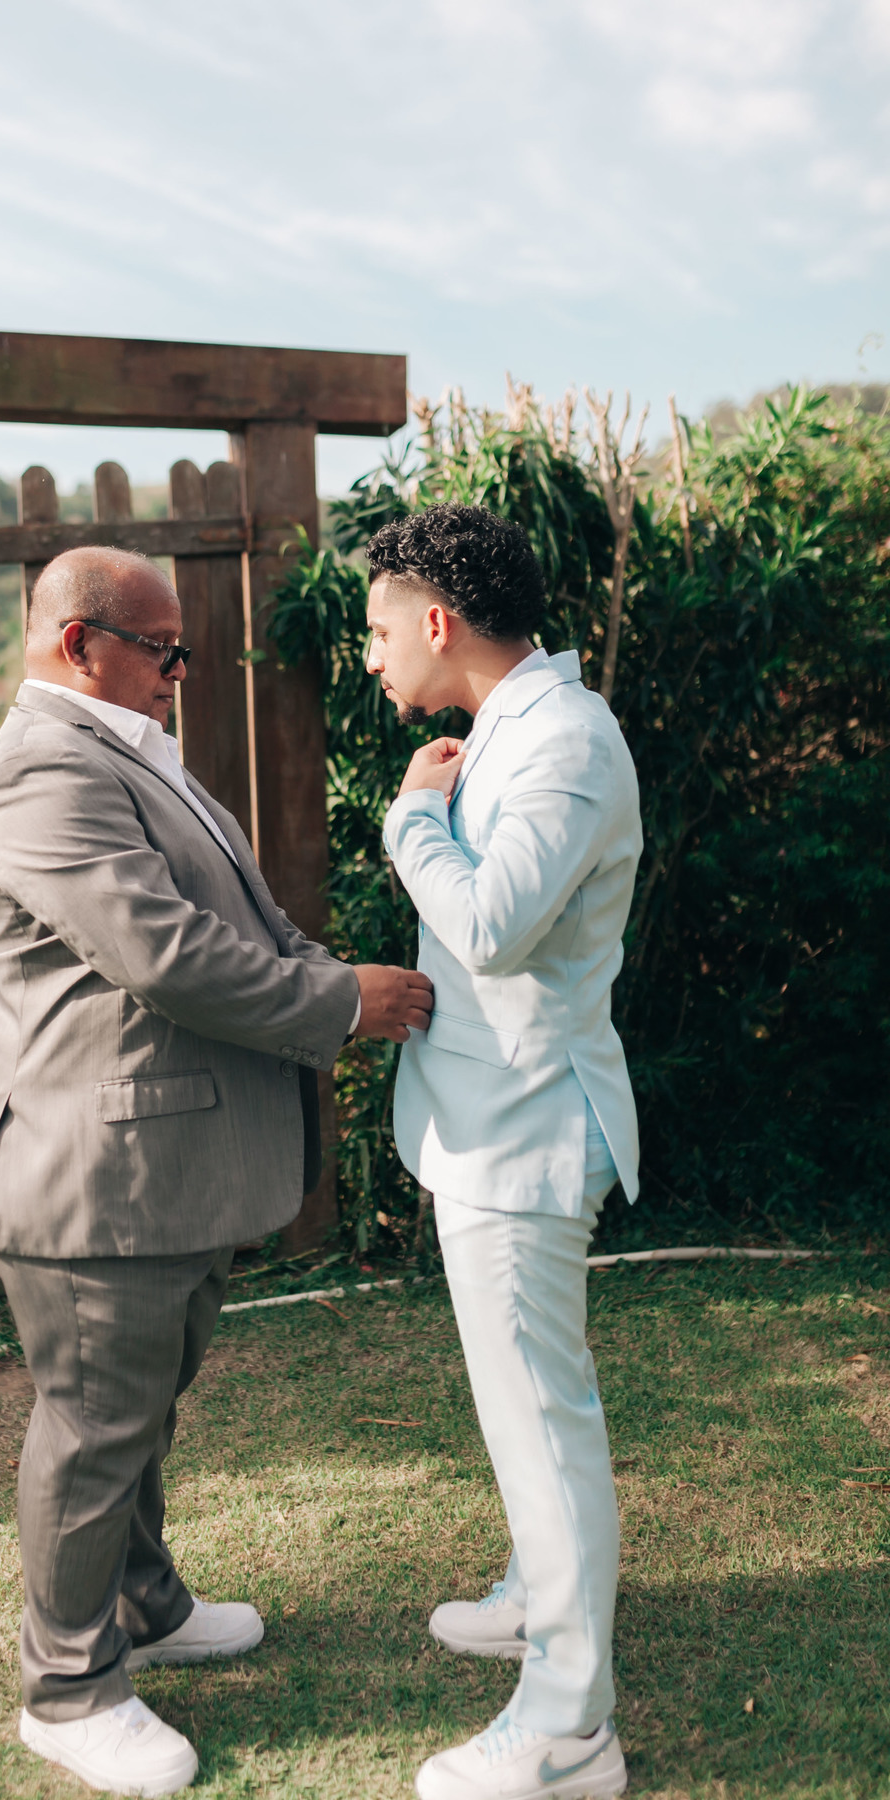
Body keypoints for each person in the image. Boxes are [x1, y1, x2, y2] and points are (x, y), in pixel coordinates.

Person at [0, 545, 432, 1798]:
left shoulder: (126, 751)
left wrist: (321, 969)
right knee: (94, 1427)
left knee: (142, 1410)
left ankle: (145, 1604)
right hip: (90, 1174)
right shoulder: (41, 773)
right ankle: (68, 1691)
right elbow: (163, 953)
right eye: (163, 648)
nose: (182, 670)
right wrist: (340, 1003)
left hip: (153, 1163)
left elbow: (243, 919)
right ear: (80, 645)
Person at [364, 504, 642, 1800]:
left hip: (529, 1134)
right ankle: (539, 1590)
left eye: (379, 630)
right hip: (487, 1122)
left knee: (541, 1420)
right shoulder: (513, 730)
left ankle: (570, 1727)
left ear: (438, 621)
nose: (372, 655)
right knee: (524, 1407)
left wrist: (411, 818)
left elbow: (491, 925)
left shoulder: (566, 741)